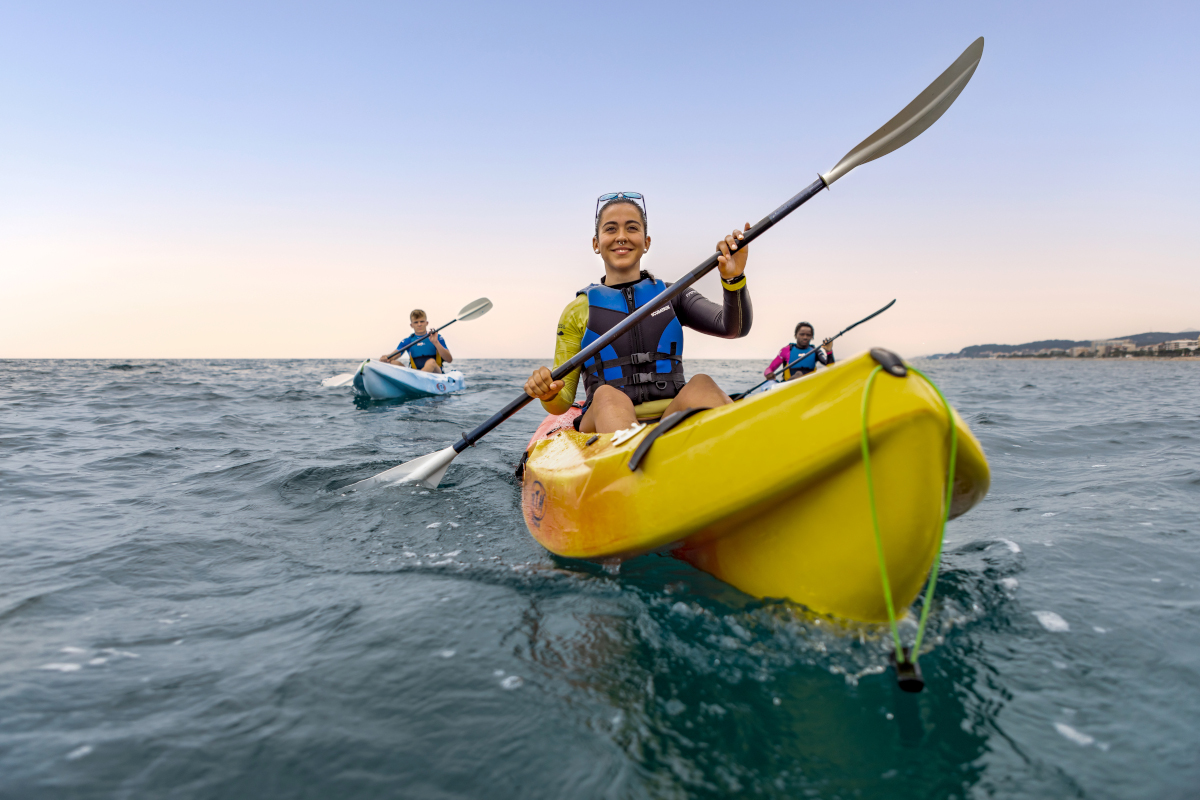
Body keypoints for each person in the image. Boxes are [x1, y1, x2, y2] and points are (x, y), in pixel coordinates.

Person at [524, 192, 752, 434]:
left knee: (702, 384)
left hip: (671, 415)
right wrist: (549, 394)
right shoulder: (577, 310)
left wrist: (733, 278)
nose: (621, 237)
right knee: (607, 396)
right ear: (596, 243)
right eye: (611, 229)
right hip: (603, 424)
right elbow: (563, 402)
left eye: (632, 228)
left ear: (646, 242)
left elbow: (733, 328)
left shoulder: (672, 294)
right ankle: (632, 461)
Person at [381, 309, 453, 373]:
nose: (419, 324)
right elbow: (392, 356)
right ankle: (413, 380)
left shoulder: (437, 337)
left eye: (422, 321)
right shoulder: (408, 341)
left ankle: (416, 379)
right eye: (416, 322)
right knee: (393, 362)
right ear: (411, 325)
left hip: (436, 374)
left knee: (431, 362)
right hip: (415, 374)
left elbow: (449, 360)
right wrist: (386, 357)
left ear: (426, 323)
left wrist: (435, 342)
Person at [764, 322, 833, 381]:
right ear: (795, 335)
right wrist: (768, 374)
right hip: (788, 386)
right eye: (802, 334)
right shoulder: (786, 350)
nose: (805, 337)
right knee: (798, 374)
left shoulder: (815, 351)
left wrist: (829, 352)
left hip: (809, 385)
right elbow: (769, 369)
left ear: (812, 337)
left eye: (808, 335)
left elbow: (831, 367)